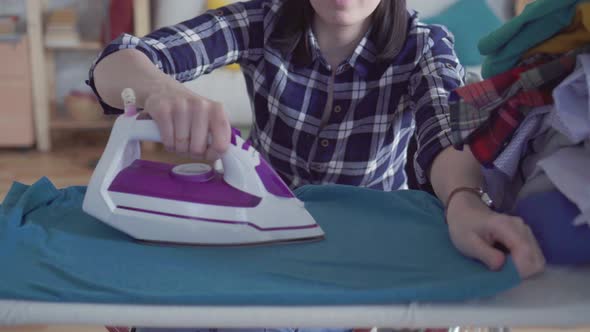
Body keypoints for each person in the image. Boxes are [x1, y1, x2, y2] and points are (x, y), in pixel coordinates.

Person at [89, 1, 544, 326]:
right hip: (261, 245)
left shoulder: (423, 47)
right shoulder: (257, 22)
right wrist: (161, 90)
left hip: (366, 251)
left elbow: (444, 135)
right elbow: (113, 66)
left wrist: (464, 202)